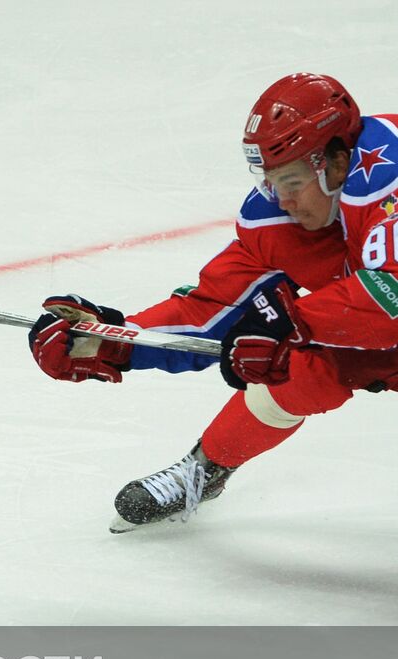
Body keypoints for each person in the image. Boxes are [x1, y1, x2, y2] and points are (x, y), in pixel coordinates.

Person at [27, 73, 398, 531]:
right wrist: (112, 340)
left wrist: (291, 323)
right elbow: (213, 307)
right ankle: (206, 469)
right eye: (274, 181)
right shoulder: (279, 220)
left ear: (337, 163)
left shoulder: (389, 182)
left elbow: (392, 298)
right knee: (296, 369)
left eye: (295, 181)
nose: (284, 200)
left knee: (289, 337)